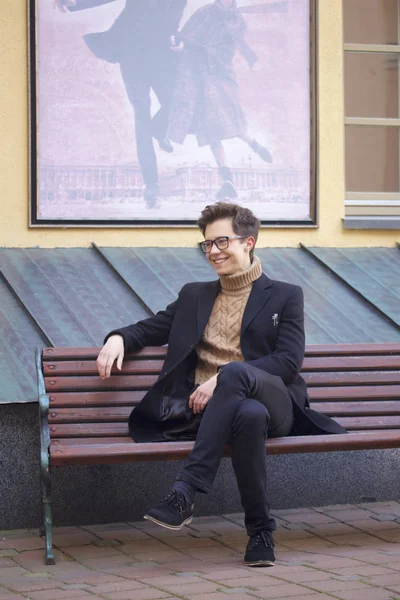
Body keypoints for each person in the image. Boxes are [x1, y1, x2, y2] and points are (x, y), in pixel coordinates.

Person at [97, 201, 345, 567]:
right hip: (224, 413)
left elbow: (288, 363)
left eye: (222, 242)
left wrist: (221, 377)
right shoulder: (194, 295)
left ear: (249, 242)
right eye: (207, 244)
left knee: (236, 376)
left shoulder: (285, 295)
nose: (213, 252)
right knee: (248, 415)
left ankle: (186, 490)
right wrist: (118, 338)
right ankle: (261, 532)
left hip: (277, 403)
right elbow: (149, 329)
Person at [55, 0, 187, 207]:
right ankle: (151, 187)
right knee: (142, 117)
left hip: (162, 57)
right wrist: (73, 4)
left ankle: (158, 130)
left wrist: (179, 41)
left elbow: (174, 25)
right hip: (132, 54)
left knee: (177, 104)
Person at [166, 0, 273, 199]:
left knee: (229, 120)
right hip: (198, 76)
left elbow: (231, 47)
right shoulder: (204, 13)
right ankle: (226, 177)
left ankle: (253, 144)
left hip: (220, 76)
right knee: (210, 130)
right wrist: (180, 45)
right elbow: (186, 37)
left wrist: (247, 56)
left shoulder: (238, 20)